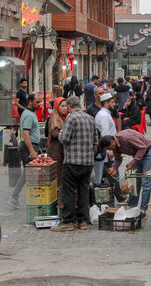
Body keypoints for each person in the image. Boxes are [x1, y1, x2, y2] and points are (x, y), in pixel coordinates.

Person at [51, 96, 99, 232]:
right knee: (83, 191)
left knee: (69, 191)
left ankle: (67, 220)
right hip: (87, 162)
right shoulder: (90, 118)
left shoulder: (71, 118)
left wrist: (60, 135)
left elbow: (65, 139)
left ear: (70, 107)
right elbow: (96, 142)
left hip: (72, 161)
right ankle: (82, 221)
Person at [103, 128, 151, 213]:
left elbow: (142, 147)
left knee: (146, 182)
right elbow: (118, 159)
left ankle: (143, 209)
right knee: (135, 182)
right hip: (137, 155)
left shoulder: (126, 137)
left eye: (109, 148)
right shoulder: (115, 146)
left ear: (112, 142)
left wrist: (133, 162)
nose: (110, 150)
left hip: (148, 152)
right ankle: (132, 206)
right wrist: (113, 168)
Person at [8, 93, 43, 209]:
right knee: (29, 173)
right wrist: (32, 151)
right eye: (37, 102)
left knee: (27, 173)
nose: (39, 104)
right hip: (28, 147)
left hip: (30, 146)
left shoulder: (30, 113)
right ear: (30, 102)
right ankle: (15, 197)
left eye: (40, 102)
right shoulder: (28, 115)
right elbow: (26, 135)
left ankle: (16, 197)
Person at [47, 97, 68, 205]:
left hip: (61, 150)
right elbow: (54, 133)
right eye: (62, 106)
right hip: (56, 151)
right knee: (57, 176)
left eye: (65, 106)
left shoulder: (62, 117)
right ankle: (56, 201)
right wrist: (63, 134)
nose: (65, 109)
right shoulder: (55, 117)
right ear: (57, 107)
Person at [93, 93, 117, 185]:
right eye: (112, 102)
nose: (114, 104)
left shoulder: (102, 114)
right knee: (112, 175)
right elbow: (104, 134)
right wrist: (109, 151)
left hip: (105, 149)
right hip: (107, 150)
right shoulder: (104, 116)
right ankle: (120, 197)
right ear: (106, 103)